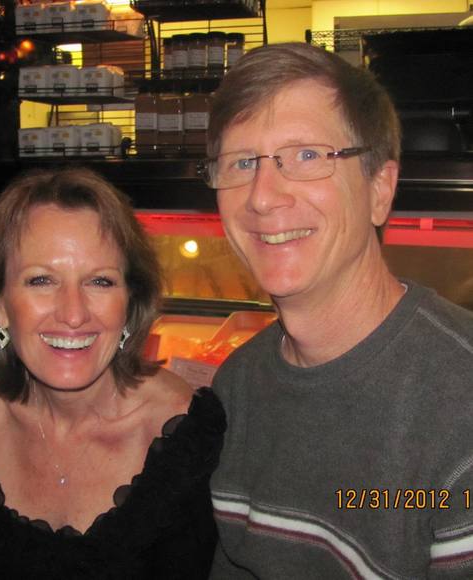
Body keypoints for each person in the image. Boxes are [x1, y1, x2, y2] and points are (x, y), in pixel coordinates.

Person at [201, 42, 473, 578]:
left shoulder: (460, 407)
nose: (262, 196)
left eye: (307, 156)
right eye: (242, 162)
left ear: (380, 189)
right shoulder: (237, 385)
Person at [0, 168, 225, 579]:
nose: (72, 314)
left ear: (130, 302)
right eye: (41, 280)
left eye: (100, 281)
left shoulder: (188, 437)